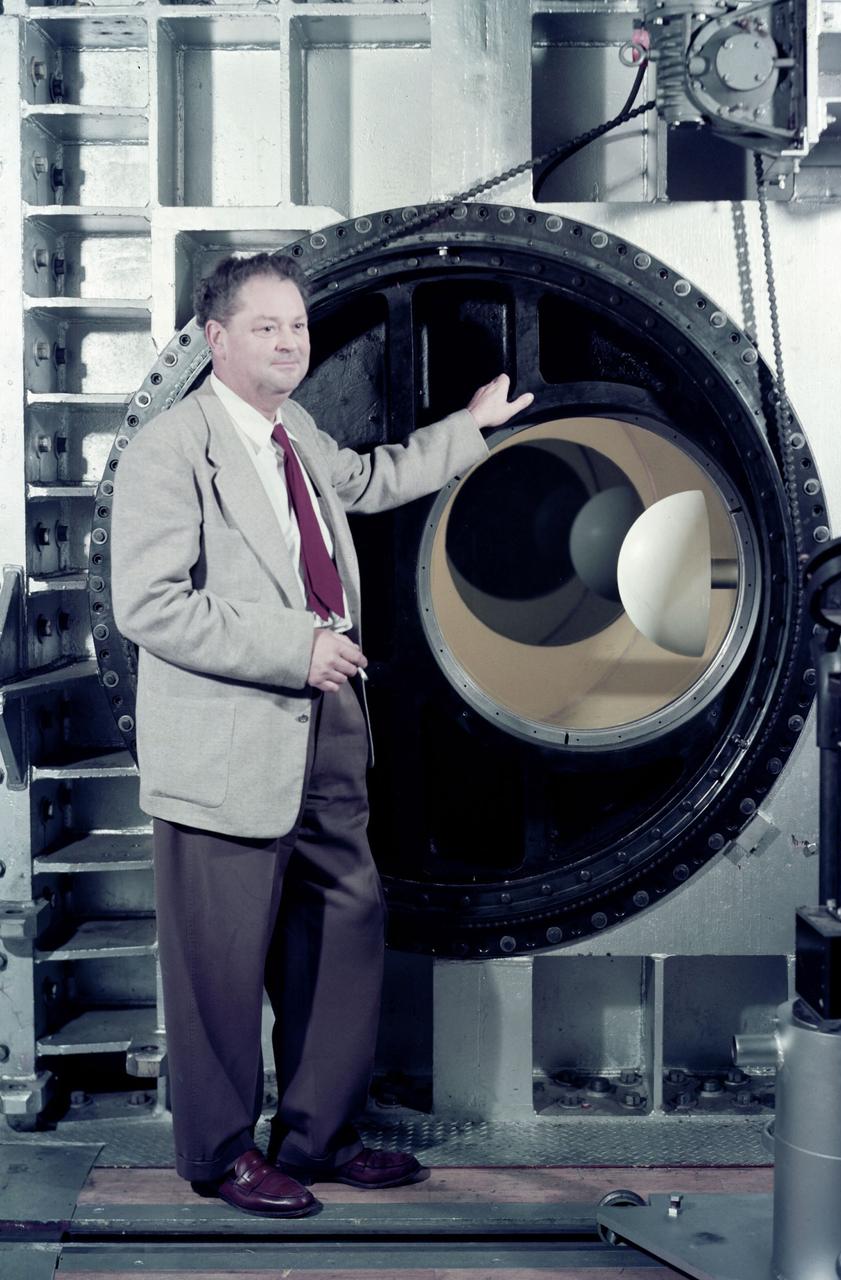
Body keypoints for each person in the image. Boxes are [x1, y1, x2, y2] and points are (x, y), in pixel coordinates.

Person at [111, 253, 533, 1218]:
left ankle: (318, 1136)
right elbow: (150, 603)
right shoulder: (171, 449)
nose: (290, 342)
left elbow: (373, 480)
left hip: (330, 726)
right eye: (265, 328)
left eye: (297, 326)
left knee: (342, 931)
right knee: (219, 965)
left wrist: (469, 429)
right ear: (215, 341)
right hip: (230, 741)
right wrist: (295, 648)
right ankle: (220, 1157)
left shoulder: (290, 428)